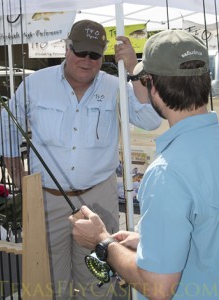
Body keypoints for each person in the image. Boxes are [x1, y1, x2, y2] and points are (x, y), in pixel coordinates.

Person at [0, 20, 161, 300]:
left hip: (99, 198)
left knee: (96, 281)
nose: (86, 60)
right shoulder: (36, 83)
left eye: (94, 55)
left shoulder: (115, 85)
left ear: (102, 56)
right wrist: (21, 183)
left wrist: (135, 70)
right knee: (50, 282)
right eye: (80, 52)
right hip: (47, 201)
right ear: (67, 48)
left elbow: (150, 119)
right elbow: (6, 129)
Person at [70, 29, 219, 300]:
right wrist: (149, 241)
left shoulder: (167, 172)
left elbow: (158, 287)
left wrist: (101, 240)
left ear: (154, 86)